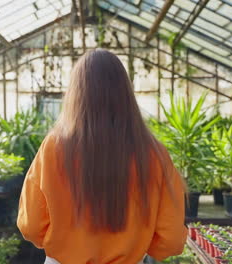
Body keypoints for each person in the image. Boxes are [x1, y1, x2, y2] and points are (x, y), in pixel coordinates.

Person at [17, 49, 187, 264]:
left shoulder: (54, 147)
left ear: (77, 93)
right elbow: (171, 240)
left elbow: (31, 226)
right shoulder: (154, 153)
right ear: (125, 92)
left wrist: (63, 245)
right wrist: (139, 246)